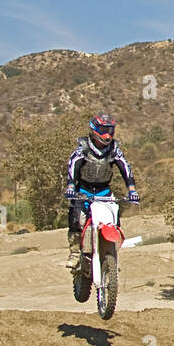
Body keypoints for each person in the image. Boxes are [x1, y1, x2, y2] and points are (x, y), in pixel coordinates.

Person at [63, 114, 138, 269]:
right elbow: (73, 166)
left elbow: (125, 168)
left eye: (110, 130)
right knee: (76, 219)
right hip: (83, 191)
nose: (107, 134)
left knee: (114, 219)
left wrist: (132, 190)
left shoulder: (114, 150)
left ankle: (111, 254)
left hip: (104, 192)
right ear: (95, 130)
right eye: (104, 130)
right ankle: (75, 253)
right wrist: (70, 186)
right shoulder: (83, 148)